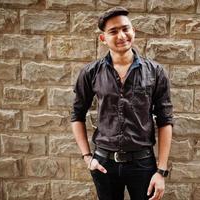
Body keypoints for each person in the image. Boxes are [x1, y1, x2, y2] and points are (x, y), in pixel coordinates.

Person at [71, 6, 173, 200]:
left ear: (133, 31)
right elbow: (77, 115)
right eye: (113, 31)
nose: (122, 35)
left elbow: (165, 120)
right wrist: (87, 158)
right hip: (103, 164)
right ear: (103, 38)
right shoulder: (90, 72)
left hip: (143, 164)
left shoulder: (155, 72)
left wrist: (161, 171)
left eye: (126, 29)